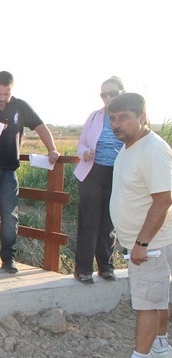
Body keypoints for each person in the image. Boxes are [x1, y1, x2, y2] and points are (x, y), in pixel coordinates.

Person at [105, 93, 172, 358]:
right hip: (145, 242)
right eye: (112, 118)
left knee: (145, 302)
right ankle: (159, 345)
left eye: (124, 117)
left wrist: (143, 243)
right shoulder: (129, 147)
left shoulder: (152, 150)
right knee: (156, 296)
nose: (116, 124)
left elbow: (163, 199)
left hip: (151, 243)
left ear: (141, 117)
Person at [0, 71, 59, 273]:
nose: (2, 98)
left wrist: (52, 149)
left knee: (10, 216)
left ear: (12, 90)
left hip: (9, 170)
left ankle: (8, 258)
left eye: (6, 94)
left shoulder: (20, 106)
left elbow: (40, 126)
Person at [73, 76, 125, 283]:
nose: (108, 98)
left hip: (117, 174)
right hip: (92, 173)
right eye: (104, 94)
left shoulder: (128, 117)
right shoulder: (95, 117)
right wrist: (84, 152)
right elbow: (82, 143)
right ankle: (83, 270)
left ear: (122, 93)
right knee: (89, 221)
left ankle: (106, 267)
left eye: (113, 93)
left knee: (108, 222)